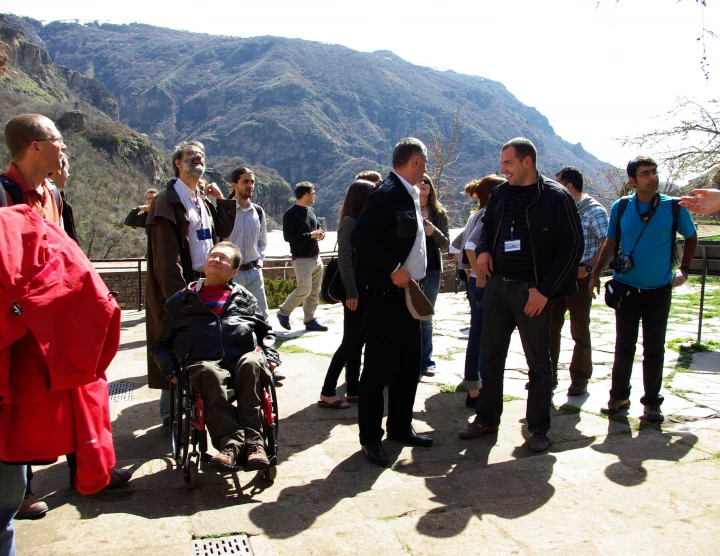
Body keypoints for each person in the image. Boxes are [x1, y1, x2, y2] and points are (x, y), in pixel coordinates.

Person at [458, 137, 583, 453]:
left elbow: (572, 248)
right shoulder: (500, 194)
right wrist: (484, 249)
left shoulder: (556, 197)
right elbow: (486, 227)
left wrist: (544, 291)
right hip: (498, 285)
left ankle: (538, 428)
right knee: (491, 356)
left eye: (508, 163)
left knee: (539, 365)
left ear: (528, 161)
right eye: (502, 163)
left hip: (533, 290)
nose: (503, 169)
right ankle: (486, 419)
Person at [151, 242, 281, 471]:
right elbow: (160, 345)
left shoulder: (245, 298)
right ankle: (231, 444)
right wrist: (171, 370)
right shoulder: (181, 301)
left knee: (253, 362)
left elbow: (266, 333)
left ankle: (254, 444)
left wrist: (270, 355)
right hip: (202, 362)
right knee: (207, 372)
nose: (216, 260)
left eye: (224, 258)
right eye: (213, 256)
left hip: (241, 359)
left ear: (233, 272)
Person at [589, 156, 698, 423]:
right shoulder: (621, 206)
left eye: (654, 172)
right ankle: (618, 398)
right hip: (625, 287)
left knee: (654, 348)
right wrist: (595, 274)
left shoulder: (674, 207)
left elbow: (691, 236)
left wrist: (684, 269)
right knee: (623, 346)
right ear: (633, 180)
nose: (653, 176)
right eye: (646, 173)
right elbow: (611, 240)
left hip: (658, 288)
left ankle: (652, 404)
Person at [351, 137, 434, 466]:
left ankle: (400, 426)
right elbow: (361, 236)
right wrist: (394, 268)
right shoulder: (387, 193)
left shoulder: (409, 194)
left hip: (407, 297)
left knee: (408, 365)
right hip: (386, 297)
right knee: (378, 368)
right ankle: (371, 438)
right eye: (425, 163)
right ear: (415, 161)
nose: (426, 169)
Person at [145, 141, 230, 432]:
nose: (197, 158)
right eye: (190, 155)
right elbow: (166, 260)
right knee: (173, 342)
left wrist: (221, 201)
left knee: (197, 344)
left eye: (201, 155)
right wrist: (179, 299)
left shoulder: (201, 199)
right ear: (177, 163)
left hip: (204, 283)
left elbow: (221, 233)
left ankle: (197, 404)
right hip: (181, 286)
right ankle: (170, 412)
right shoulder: (167, 202)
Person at [549, 167, 609, 396]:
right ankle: (548, 374)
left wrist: (589, 268)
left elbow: (607, 243)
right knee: (550, 327)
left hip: (580, 280)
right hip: (557, 279)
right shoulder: (560, 209)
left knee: (579, 331)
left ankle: (579, 379)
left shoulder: (595, 211)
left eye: (559, 184)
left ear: (569, 186)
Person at [318, 179, 375, 409]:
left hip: (362, 288)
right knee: (350, 342)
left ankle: (353, 388)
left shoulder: (359, 221)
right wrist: (351, 292)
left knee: (357, 341)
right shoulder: (349, 222)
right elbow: (344, 259)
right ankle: (328, 391)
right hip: (354, 290)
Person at [458, 175, 506, 408]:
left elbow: (456, 247)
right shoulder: (487, 214)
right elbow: (468, 247)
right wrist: (480, 276)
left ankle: (475, 386)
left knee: (477, 336)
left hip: (475, 281)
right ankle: (474, 389)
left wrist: (469, 271)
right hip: (482, 284)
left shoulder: (476, 214)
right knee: (479, 338)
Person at [216, 168, 270, 322]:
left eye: (252, 181)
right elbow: (217, 242)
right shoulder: (225, 212)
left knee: (262, 316)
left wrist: (259, 263)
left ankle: (263, 344)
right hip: (232, 273)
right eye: (245, 181)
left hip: (254, 272)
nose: (250, 185)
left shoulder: (258, 212)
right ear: (234, 184)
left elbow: (262, 242)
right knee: (231, 316)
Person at [277, 182, 328, 332]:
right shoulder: (290, 214)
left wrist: (321, 235)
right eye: (313, 192)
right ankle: (283, 312)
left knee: (314, 291)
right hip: (301, 258)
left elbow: (318, 228)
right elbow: (288, 237)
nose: (314, 195)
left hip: (315, 256)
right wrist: (310, 235)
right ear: (305, 194)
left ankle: (310, 319)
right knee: (304, 289)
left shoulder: (312, 211)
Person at [417, 174, 449, 378]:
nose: (423, 184)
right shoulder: (406, 207)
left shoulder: (439, 213)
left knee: (426, 317)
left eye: (426, 182)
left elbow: (446, 243)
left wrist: (433, 231)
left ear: (431, 188)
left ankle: (426, 360)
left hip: (432, 270)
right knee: (405, 316)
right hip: (409, 270)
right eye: (419, 181)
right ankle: (406, 359)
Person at [48, 155, 78, 242]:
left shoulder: (58, 199)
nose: (68, 175)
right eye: (66, 169)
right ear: (58, 170)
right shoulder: (50, 199)